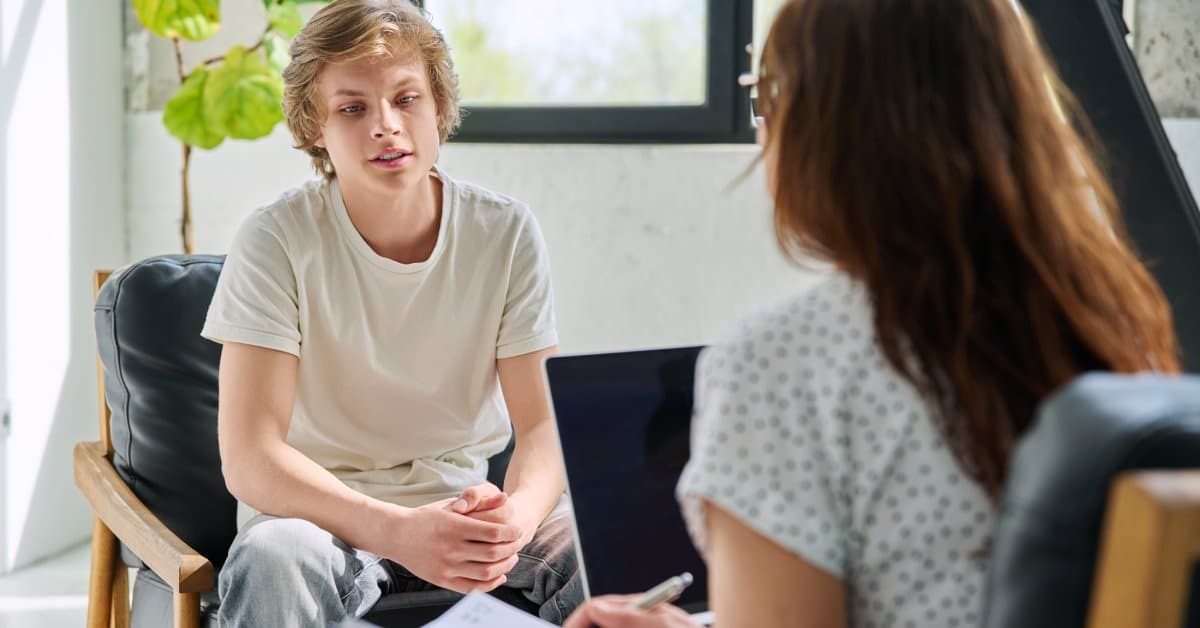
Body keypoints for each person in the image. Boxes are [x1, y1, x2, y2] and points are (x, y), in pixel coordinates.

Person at [566, 0, 1180, 626]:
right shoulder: (1107, 320)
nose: (762, 126)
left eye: (766, 93)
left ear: (821, 122)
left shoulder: (780, 364)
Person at [201, 1, 581, 625]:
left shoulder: (505, 231)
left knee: (606, 547)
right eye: (353, 108)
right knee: (272, 556)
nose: (386, 125)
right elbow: (251, 458)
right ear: (314, 127)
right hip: (318, 522)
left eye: (406, 99)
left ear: (438, 107)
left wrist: (513, 521)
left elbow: (542, 425)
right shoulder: (276, 239)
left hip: (464, 508)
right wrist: (398, 530)